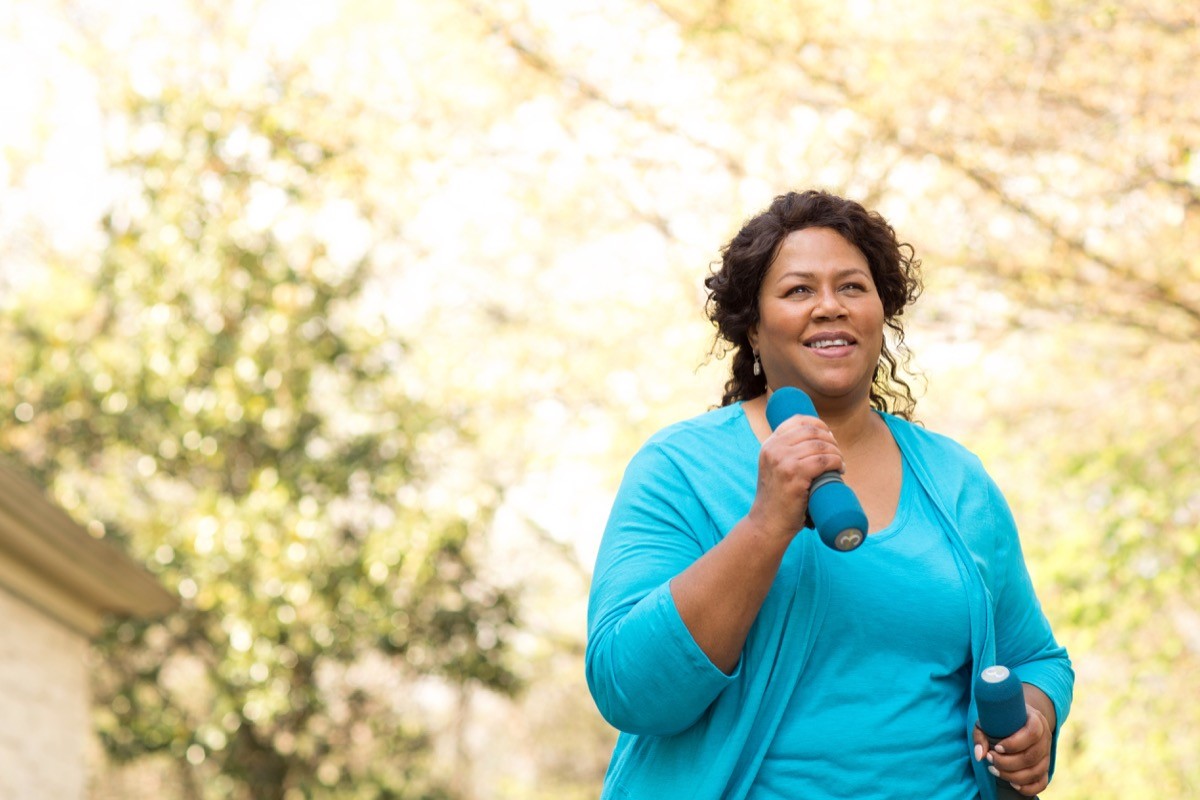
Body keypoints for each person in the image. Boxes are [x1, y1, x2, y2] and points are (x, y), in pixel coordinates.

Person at [585, 190, 1074, 800]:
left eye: (851, 287)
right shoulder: (680, 469)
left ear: (881, 312)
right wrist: (766, 523)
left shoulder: (956, 479)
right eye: (797, 290)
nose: (829, 307)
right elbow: (628, 689)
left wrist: (1035, 720)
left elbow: (1036, 659)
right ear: (753, 329)